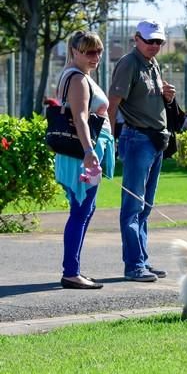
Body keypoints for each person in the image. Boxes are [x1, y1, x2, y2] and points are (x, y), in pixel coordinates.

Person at [108, 19, 176, 282]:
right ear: (136, 38)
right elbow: (113, 105)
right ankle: (134, 266)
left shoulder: (152, 63)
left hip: (156, 140)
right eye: (150, 40)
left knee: (146, 207)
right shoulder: (128, 63)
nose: (155, 46)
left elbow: (149, 98)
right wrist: (108, 140)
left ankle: (142, 261)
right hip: (137, 139)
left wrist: (167, 96)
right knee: (133, 206)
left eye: (159, 41)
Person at [55, 31, 115, 290]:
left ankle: (73, 268)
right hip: (82, 155)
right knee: (81, 210)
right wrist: (89, 151)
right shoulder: (78, 79)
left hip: (82, 154)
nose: (96, 57)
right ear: (75, 51)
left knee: (83, 210)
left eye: (98, 51)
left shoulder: (75, 75)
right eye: (89, 52)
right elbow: (79, 118)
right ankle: (71, 271)